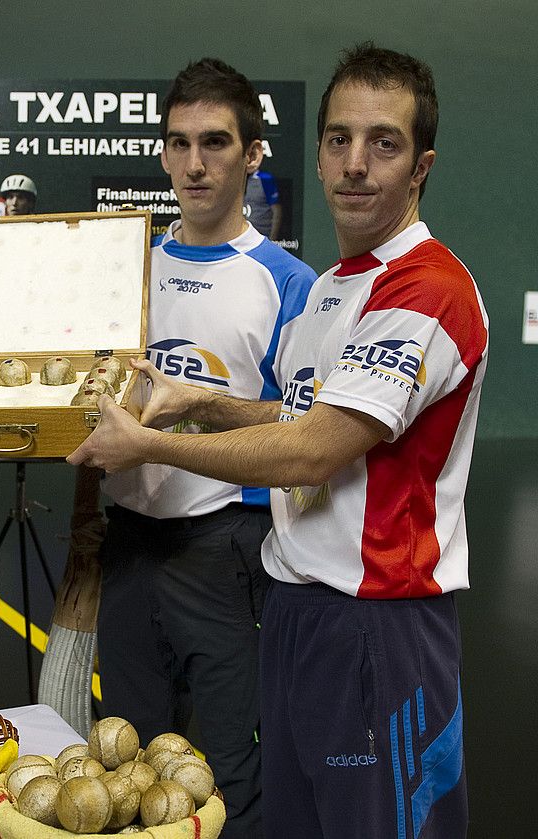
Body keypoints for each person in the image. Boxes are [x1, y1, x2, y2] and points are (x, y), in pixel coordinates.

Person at [70, 43, 484, 838]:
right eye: (338, 140)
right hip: (297, 608)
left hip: (380, 625)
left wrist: (152, 446)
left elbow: (314, 450)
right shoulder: (333, 287)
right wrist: (199, 401)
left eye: (383, 143)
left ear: (421, 164)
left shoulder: (428, 287)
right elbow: (292, 415)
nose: (355, 164)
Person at [89, 58, 316, 839]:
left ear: (253, 154)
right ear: (161, 153)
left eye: (216, 142)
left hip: (226, 553)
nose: (195, 163)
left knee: (221, 778)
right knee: (122, 776)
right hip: (125, 549)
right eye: (179, 143)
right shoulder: (125, 272)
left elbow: (299, 427)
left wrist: (206, 404)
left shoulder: (288, 281)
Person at [245, 166, 283, 240]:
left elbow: (277, 211)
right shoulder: (235, 179)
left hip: (261, 236)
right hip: (241, 238)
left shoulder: (265, 179)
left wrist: (272, 239)